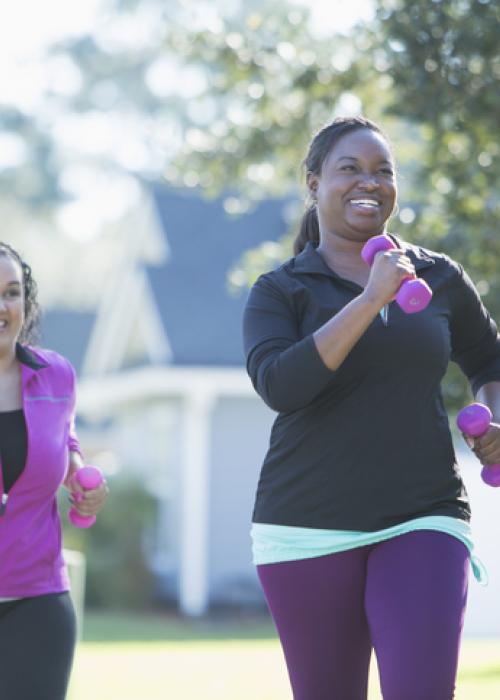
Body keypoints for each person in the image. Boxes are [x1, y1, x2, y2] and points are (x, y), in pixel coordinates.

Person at [243, 116, 500, 700]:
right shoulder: (280, 290)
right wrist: (370, 298)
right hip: (304, 526)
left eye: (384, 170)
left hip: (424, 514)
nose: (370, 182)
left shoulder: (438, 277)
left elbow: (490, 360)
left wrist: (495, 416)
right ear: (313, 183)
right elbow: (281, 386)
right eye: (350, 169)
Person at [0, 242, 108, 699]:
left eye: (11, 292)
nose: (2, 306)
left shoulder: (55, 375)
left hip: (38, 602)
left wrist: (80, 475)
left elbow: (63, 438)